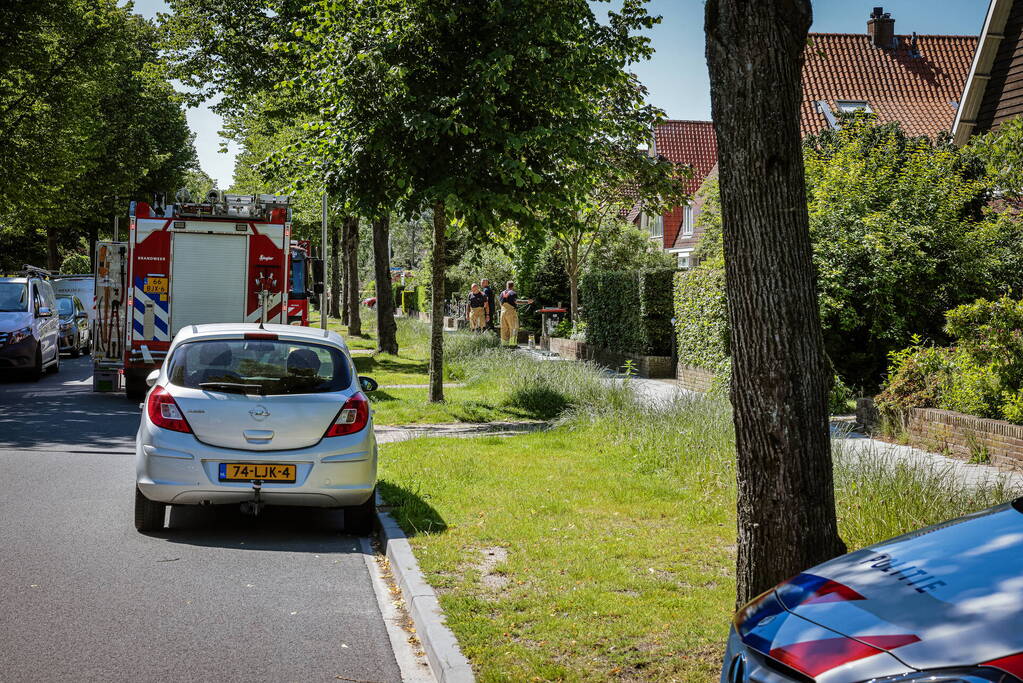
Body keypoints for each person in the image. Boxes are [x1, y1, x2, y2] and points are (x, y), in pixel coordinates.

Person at [499, 281, 531, 346]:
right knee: (513, 328)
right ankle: (512, 344)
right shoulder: (513, 293)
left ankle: (504, 344)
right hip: (510, 312)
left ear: (506, 286)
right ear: (513, 286)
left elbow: (500, 303)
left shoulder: (501, 293)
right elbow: (516, 301)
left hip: (502, 312)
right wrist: (527, 301)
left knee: (504, 328)